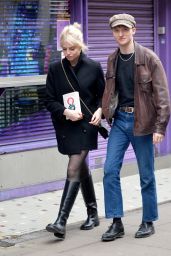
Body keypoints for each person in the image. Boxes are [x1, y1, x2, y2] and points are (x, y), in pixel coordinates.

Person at [101, 13, 170, 241]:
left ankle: (148, 220)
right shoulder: (112, 59)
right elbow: (110, 91)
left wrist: (160, 127)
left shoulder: (150, 59)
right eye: (116, 30)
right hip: (120, 121)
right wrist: (103, 110)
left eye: (124, 29)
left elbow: (162, 97)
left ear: (134, 30)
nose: (120, 34)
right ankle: (116, 222)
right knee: (110, 170)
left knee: (146, 175)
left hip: (143, 122)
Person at [45, 23, 105, 240]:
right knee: (81, 169)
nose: (68, 53)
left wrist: (100, 110)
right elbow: (48, 100)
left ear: (80, 47)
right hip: (66, 125)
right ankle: (93, 213)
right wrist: (65, 113)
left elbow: (103, 97)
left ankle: (61, 221)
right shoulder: (55, 69)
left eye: (72, 48)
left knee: (73, 167)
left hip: (87, 125)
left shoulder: (94, 67)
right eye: (64, 49)